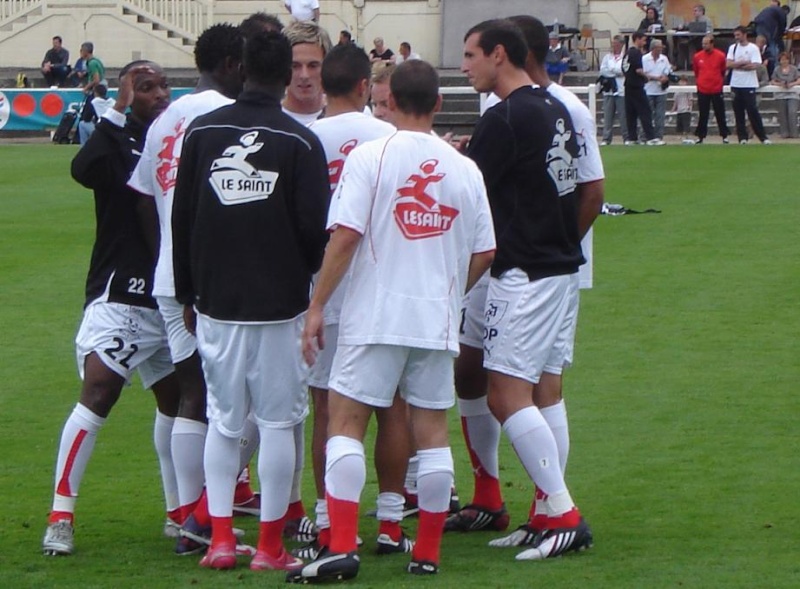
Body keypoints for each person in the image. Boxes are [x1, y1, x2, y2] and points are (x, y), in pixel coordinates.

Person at [293, 57, 496, 583]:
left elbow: (346, 235)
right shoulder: (464, 167)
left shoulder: (372, 156)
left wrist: (317, 305)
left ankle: (339, 546)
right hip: (435, 320)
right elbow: (485, 251)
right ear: (436, 104)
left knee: (344, 424)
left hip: (375, 314)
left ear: (387, 101)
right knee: (430, 430)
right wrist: (450, 292)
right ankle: (425, 551)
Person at [171, 29, 330, 571]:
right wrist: (303, 279)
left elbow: (182, 217)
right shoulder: (301, 141)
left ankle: (218, 539)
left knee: (225, 421)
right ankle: (268, 546)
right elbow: (316, 232)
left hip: (216, 300)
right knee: (280, 422)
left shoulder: (202, 131)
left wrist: (188, 290)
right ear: (288, 74)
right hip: (280, 303)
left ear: (239, 69)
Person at [448, 15, 604, 554]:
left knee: (505, 393)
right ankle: (544, 511)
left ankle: (562, 511)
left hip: (525, 273)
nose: (464, 66)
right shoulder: (552, 105)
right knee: (543, 390)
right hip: (561, 267)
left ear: (498, 54)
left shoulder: (506, 117)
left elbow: (469, 191)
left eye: (470, 55)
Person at [127, 23, 254, 556]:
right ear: (230, 64)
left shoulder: (166, 119)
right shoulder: (221, 118)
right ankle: (204, 516)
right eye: (244, 63)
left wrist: (170, 261)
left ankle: (187, 515)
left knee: (191, 396)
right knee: (245, 398)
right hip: (212, 276)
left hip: (168, 276)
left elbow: (141, 195)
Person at [42, 61, 176, 557]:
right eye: (145, 88)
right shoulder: (117, 140)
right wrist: (117, 111)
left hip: (170, 297)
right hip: (122, 292)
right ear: (126, 95)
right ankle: (60, 515)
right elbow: (84, 169)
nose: (159, 94)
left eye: (163, 85)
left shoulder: (175, 137)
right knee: (97, 394)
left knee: (182, 405)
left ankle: (178, 513)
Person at [727, 26, 771, 144]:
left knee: (752, 111)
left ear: (744, 34)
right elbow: (728, 64)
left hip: (749, 84)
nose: (737, 38)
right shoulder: (733, 48)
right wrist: (741, 63)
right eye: (735, 35)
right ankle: (742, 138)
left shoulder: (753, 48)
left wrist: (741, 66)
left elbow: (756, 65)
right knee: (738, 112)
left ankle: (763, 137)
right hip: (736, 83)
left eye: (738, 35)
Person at [283, 21, 332, 125]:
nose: (304, 75)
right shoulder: (265, 120)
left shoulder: (346, 117)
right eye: (295, 66)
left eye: (313, 66)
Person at [623, 32, 663, 145]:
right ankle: (650, 137)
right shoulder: (636, 53)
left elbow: (624, 69)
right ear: (638, 39)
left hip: (628, 85)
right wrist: (646, 77)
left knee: (631, 113)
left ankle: (632, 138)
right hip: (636, 86)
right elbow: (638, 70)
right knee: (645, 111)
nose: (645, 43)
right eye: (643, 40)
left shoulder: (627, 53)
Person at [692, 34, 730, 144]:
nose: (704, 46)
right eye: (703, 44)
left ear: (712, 43)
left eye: (706, 43)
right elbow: (696, 71)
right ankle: (700, 136)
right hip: (703, 88)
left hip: (716, 88)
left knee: (720, 113)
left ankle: (724, 135)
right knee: (703, 113)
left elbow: (723, 70)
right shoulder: (697, 56)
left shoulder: (720, 56)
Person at [599, 35, 628, 145]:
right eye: (613, 44)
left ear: (621, 45)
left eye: (616, 44)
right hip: (609, 90)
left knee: (623, 115)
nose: (613, 46)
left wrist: (612, 71)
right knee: (608, 115)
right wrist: (615, 72)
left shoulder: (625, 57)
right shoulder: (607, 57)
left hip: (621, 90)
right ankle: (606, 138)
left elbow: (624, 70)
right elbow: (603, 71)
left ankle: (626, 137)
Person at [643, 39, 672, 141]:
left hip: (661, 91)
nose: (661, 49)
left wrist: (666, 77)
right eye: (659, 47)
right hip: (648, 91)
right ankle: (647, 136)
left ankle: (659, 137)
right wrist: (655, 78)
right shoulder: (645, 59)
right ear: (654, 48)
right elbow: (643, 73)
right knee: (647, 115)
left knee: (660, 116)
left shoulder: (664, 59)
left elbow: (668, 71)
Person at [771, 51, 800, 138]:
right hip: (780, 94)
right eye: (782, 60)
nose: (784, 61)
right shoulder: (777, 69)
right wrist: (780, 84)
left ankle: (794, 133)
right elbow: (773, 80)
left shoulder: (794, 69)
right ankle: (784, 133)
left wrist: (792, 84)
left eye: (786, 59)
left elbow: (799, 79)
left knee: (792, 112)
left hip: (793, 94)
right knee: (782, 114)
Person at [674, 76, 694, 143]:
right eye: (680, 81)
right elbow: (675, 101)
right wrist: (673, 108)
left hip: (686, 110)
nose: (682, 83)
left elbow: (690, 99)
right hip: (679, 110)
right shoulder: (676, 91)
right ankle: (680, 135)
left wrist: (689, 106)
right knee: (679, 124)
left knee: (686, 124)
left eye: (683, 82)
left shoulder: (688, 90)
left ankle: (686, 136)